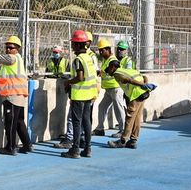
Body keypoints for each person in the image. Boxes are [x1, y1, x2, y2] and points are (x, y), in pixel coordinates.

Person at [0, 35, 32, 155]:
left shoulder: (11, 58)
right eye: (7, 47)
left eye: (11, 47)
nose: (8, 50)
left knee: (10, 122)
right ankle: (27, 145)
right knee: (19, 121)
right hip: (19, 94)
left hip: (12, 95)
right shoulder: (18, 58)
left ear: (17, 49)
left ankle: (10, 147)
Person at [60, 30, 99, 159]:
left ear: (77, 45)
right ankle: (87, 148)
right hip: (89, 94)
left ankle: (75, 149)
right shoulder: (88, 57)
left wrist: (68, 82)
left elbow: (80, 77)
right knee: (86, 121)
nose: (72, 46)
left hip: (79, 95)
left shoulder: (78, 59)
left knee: (77, 122)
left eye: (73, 44)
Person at [106, 60, 155, 149]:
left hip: (136, 95)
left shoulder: (117, 74)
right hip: (143, 94)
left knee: (129, 118)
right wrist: (145, 84)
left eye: (108, 70)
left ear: (112, 67)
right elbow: (144, 76)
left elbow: (128, 80)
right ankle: (133, 140)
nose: (108, 72)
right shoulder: (128, 70)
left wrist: (142, 85)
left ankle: (123, 141)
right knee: (137, 118)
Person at [94, 38, 125, 136]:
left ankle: (123, 130)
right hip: (109, 89)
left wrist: (103, 73)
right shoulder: (106, 60)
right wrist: (101, 73)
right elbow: (105, 72)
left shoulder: (113, 60)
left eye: (102, 50)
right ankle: (100, 129)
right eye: (100, 50)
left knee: (118, 109)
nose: (100, 52)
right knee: (102, 107)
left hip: (115, 88)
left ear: (108, 49)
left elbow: (113, 72)